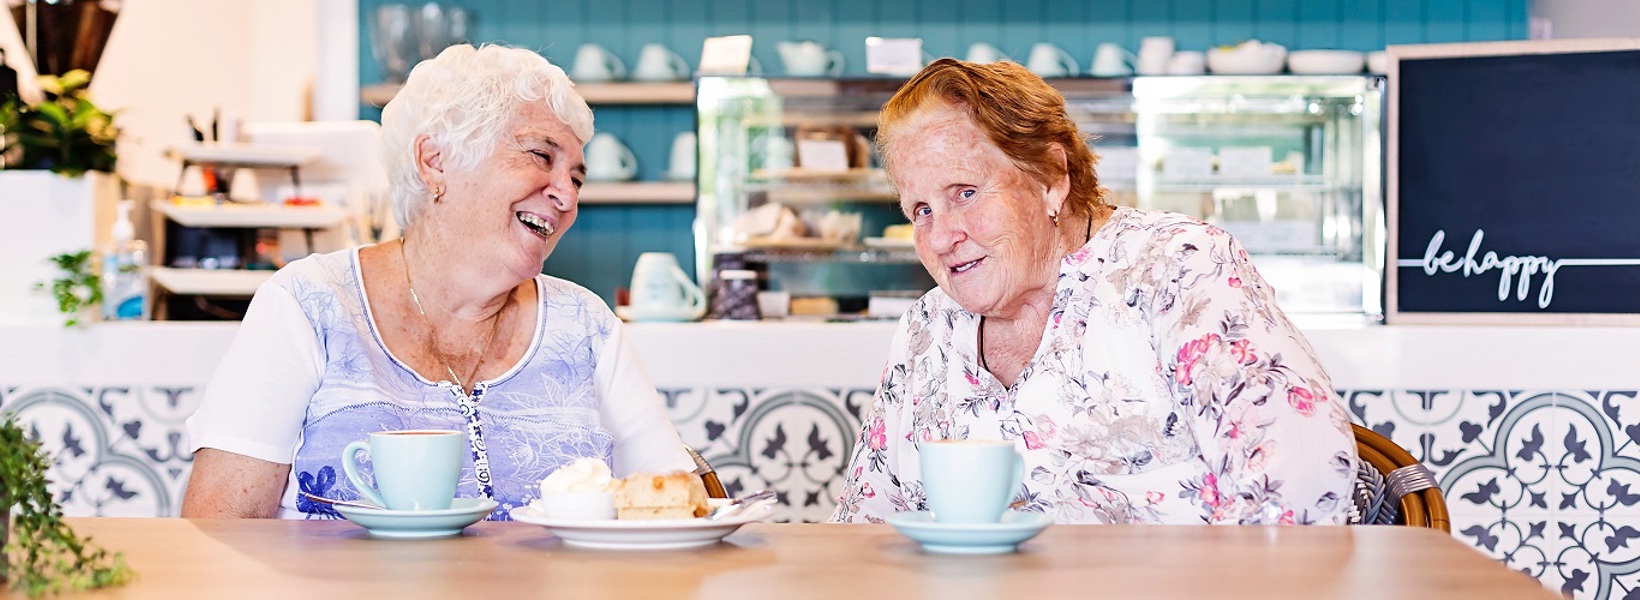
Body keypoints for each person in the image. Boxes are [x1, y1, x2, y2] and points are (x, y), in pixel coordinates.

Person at [831, 59, 1357, 525]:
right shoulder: (929, 328)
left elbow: (1300, 491)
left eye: (965, 193)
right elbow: (864, 523)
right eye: (920, 210)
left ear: (1052, 178)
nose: (941, 236)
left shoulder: (1175, 271)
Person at [181, 45, 692, 519]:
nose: (566, 195)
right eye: (541, 156)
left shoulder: (585, 324)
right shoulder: (310, 303)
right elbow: (220, 532)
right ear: (435, 160)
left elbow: (676, 501)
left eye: (577, 178)